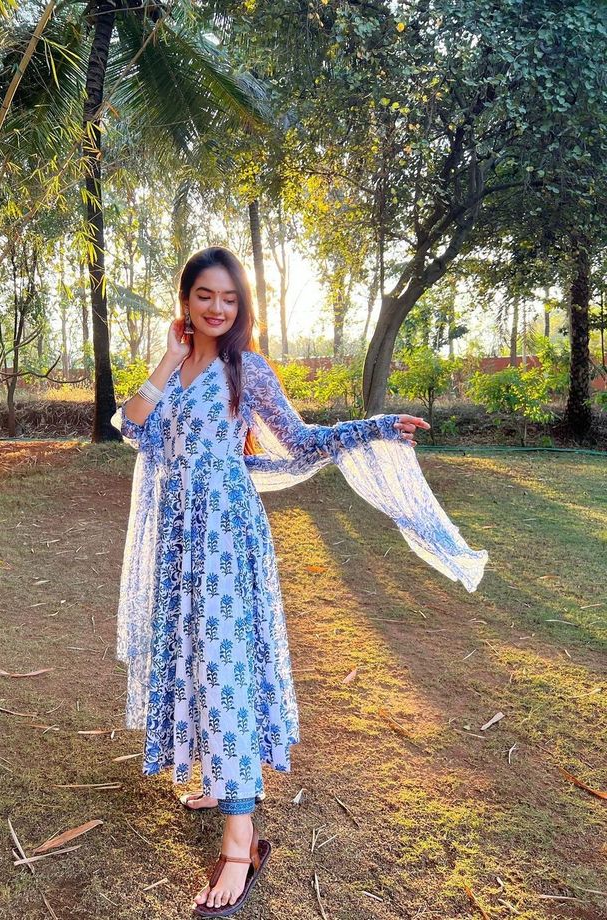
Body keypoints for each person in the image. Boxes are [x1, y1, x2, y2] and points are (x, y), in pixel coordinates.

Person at [111, 246, 488, 916]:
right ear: (187, 300)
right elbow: (135, 431)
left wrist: (376, 427)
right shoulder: (171, 372)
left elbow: (302, 441)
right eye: (205, 296)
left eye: (229, 298)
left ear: (241, 304)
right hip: (179, 542)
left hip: (228, 537)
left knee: (227, 666)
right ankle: (219, 778)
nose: (218, 308)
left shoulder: (246, 371)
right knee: (195, 657)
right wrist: (166, 362)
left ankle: (240, 837)